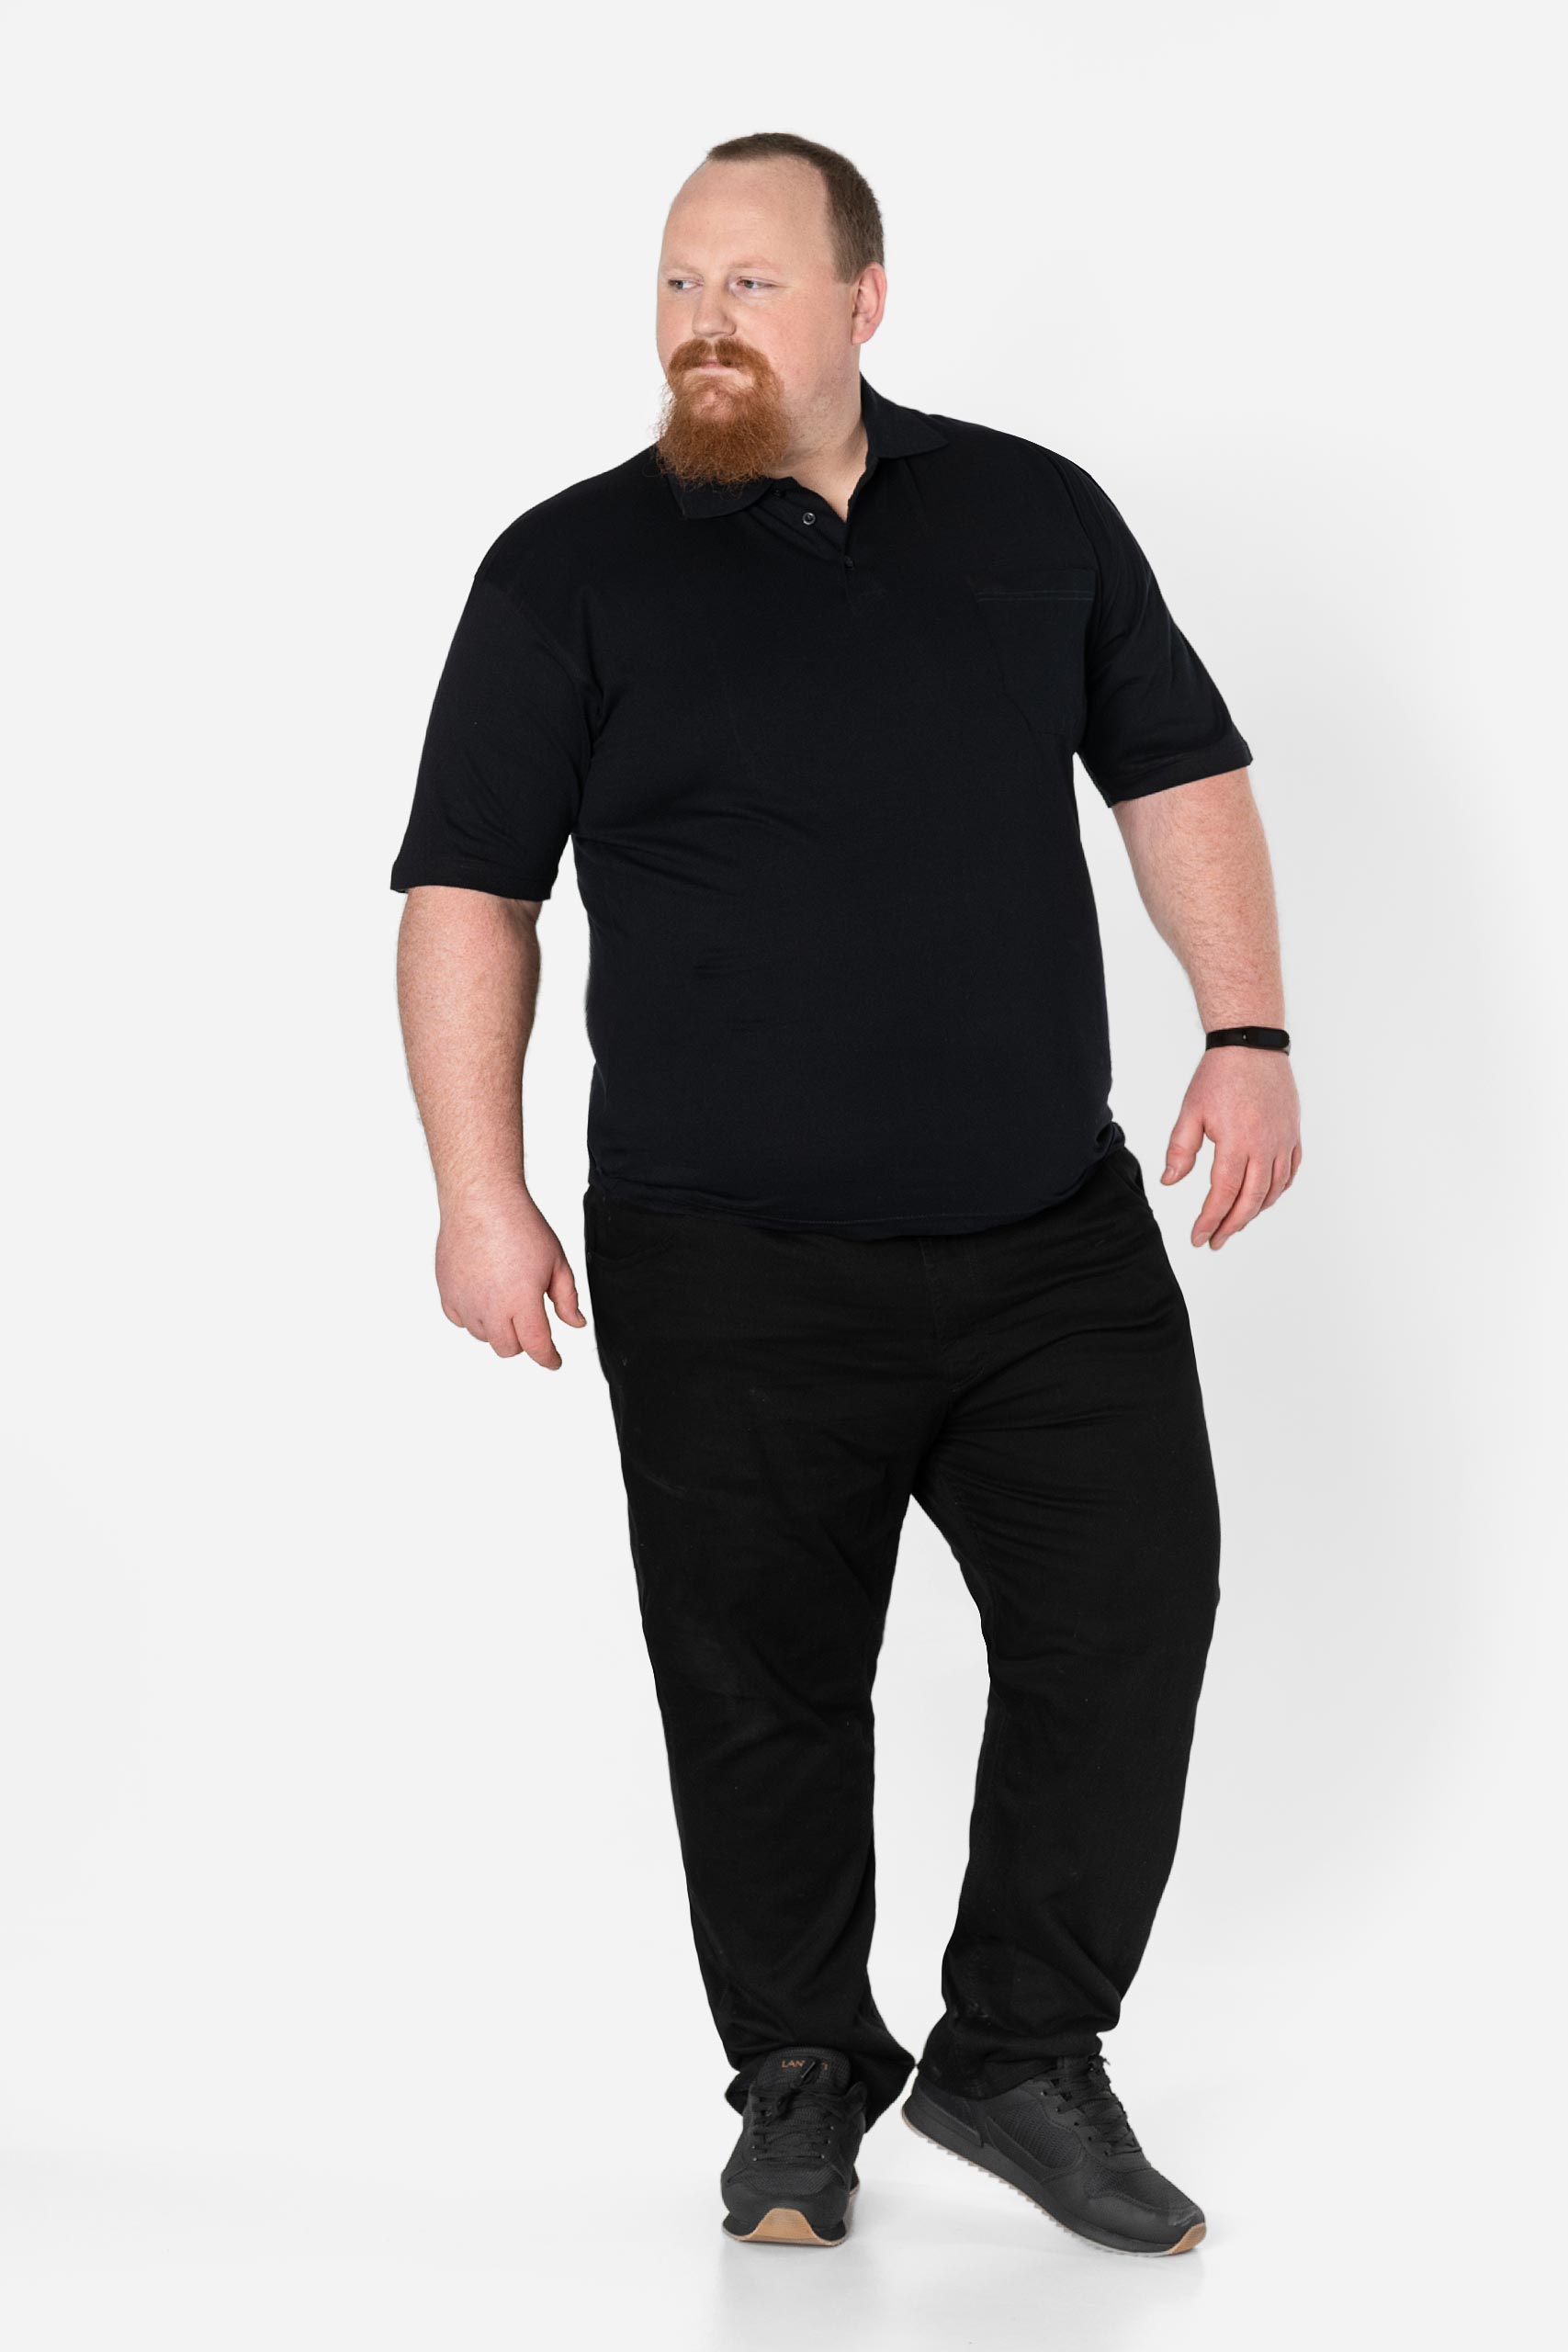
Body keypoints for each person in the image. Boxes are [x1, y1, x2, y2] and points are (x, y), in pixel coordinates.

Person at [390, 130, 1300, 2258]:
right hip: (723, 1253)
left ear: (861, 300)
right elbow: (468, 892)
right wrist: (476, 1190)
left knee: (1128, 1614)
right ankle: (797, 2074)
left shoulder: (1031, 515)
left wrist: (1244, 1028)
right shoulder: (566, 570)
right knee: (759, 1687)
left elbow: (1173, 769)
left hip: (1044, 1230)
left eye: (750, 284)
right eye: (676, 284)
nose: (702, 323)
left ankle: (1018, 2053)